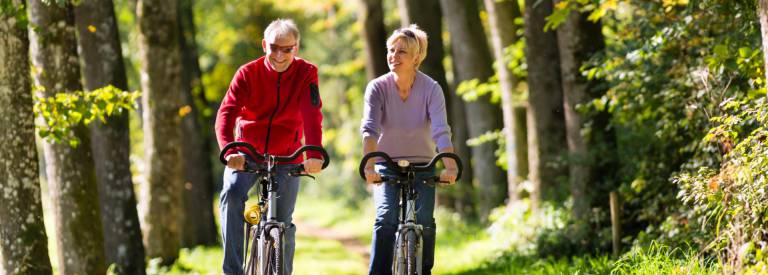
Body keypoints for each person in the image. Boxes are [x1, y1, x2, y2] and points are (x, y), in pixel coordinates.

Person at [215, 18, 324, 275]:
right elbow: (226, 114)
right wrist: (230, 150)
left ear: (296, 48)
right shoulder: (247, 73)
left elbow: (312, 113)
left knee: (282, 225)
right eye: (274, 47)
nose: (279, 55)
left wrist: (314, 153)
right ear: (265, 45)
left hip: (287, 155)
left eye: (287, 49)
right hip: (247, 153)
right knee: (231, 194)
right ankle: (232, 270)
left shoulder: (306, 72)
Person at [360, 24, 458, 275]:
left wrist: (450, 165)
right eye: (391, 50)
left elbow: (440, 130)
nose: (393, 56)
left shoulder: (431, 89)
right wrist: (369, 165)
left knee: (425, 223)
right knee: (385, 219)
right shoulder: (377, 87)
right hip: (386, 163)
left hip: (423, 164)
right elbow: (370, 129)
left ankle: (423, 270)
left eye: (401, 51)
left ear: (416, 58)